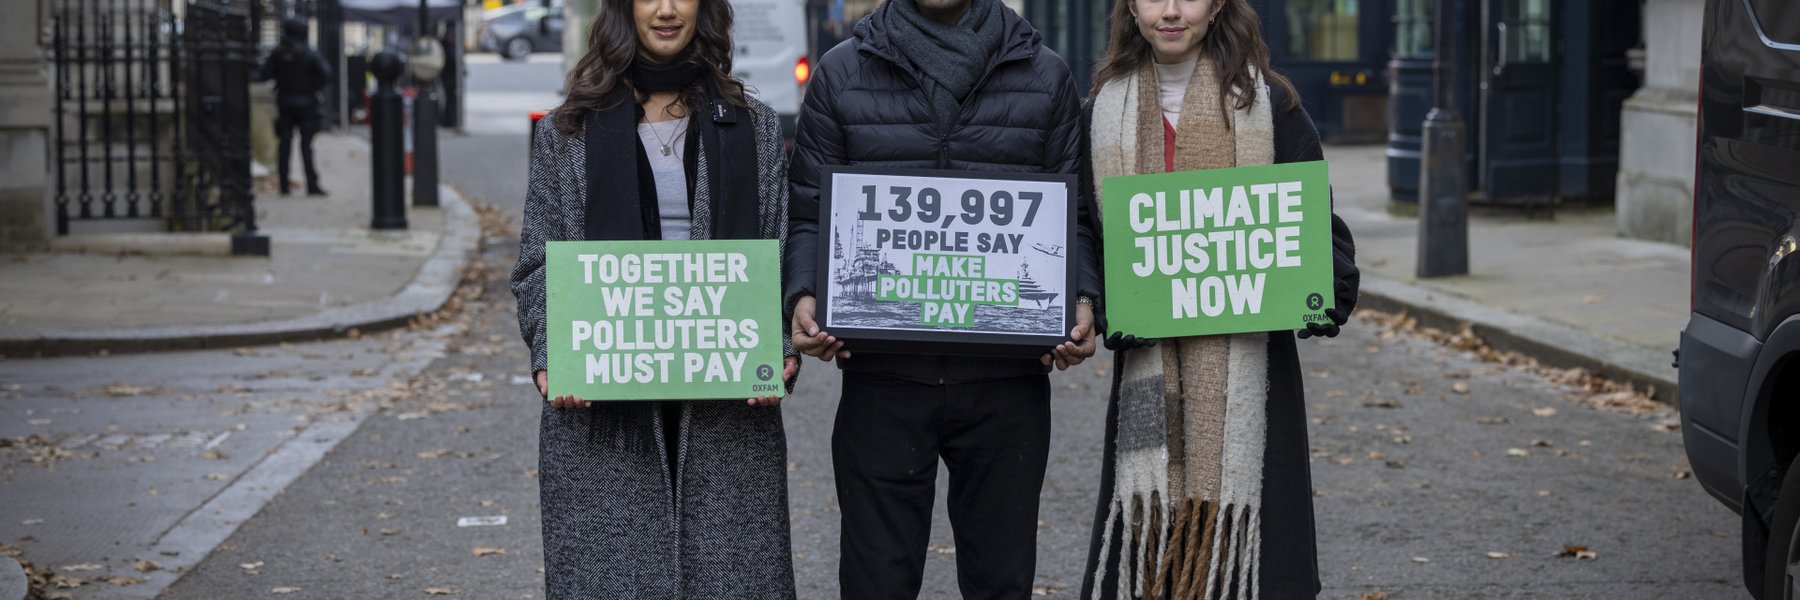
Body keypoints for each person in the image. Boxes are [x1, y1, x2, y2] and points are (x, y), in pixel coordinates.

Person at [782, 0, 1103, 595]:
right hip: (883, 381)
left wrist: (1083, 298)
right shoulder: (842, 71)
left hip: (1007, 385)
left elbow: (1076, 215)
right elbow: (807, 213)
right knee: (875, 581)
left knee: (1001, 581)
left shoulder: (1045, 74)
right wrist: (802, 293)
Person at [507, 0, 799, 594]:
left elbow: (778, 250)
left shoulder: (756, 125)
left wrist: (778, 346)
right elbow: (538, 261)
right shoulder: (568, 130)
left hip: (726, 415)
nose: (666, 10)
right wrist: (550, 353)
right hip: (601, 419)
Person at [1076, 0, 1359, 598]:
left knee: (1257, 568)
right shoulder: (1100, 113)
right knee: (1147, 549)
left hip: (1254, 381)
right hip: (1148, 380)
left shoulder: (1272, 106)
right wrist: (1103, 303)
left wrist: (1325, 286)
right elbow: (1083, 238)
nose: (1172, 11)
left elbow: (1316, 229)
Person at [258, 18, 331, 197]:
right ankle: (312, 185)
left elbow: (264, 74)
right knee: (306, 147)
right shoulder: (308, 53)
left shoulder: (278, 53)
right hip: (306, 104)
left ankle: (284, 185)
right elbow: (326, 76)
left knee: (285, 145)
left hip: (285, 103)